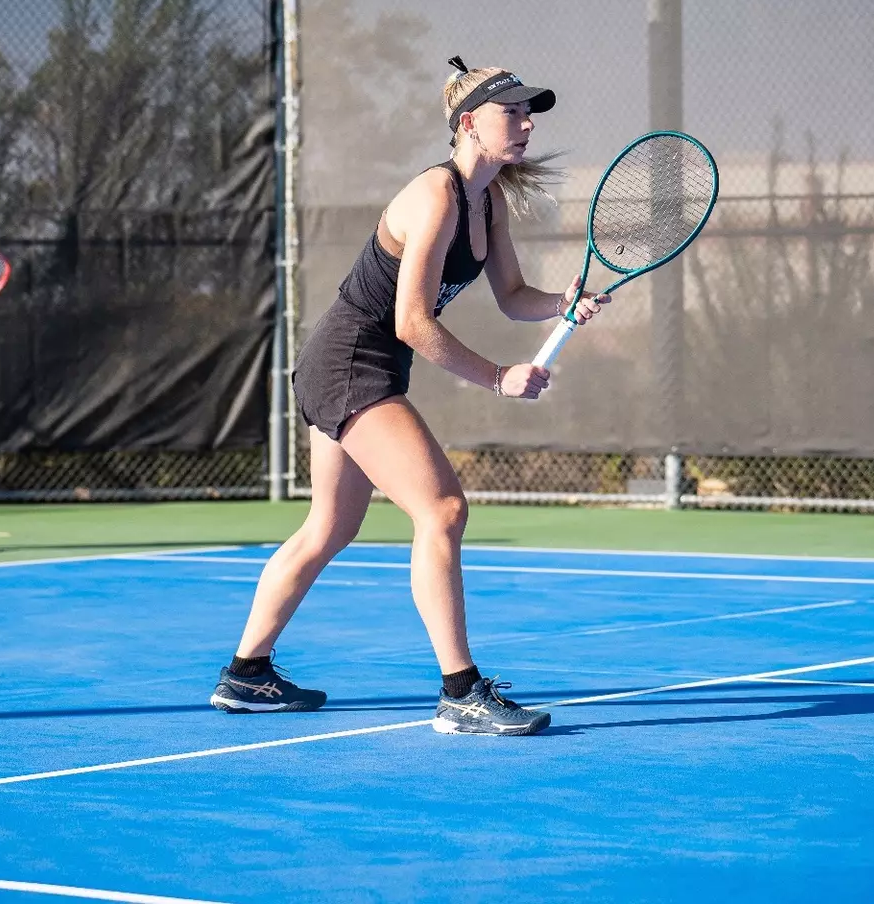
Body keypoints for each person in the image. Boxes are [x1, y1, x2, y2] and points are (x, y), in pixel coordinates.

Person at [211, 59, 608, 735]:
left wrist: (562, 304)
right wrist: (497, 378)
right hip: (348, 364)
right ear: (468, 123)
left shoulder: (490, 201)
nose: (526, 121)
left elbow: (514, 299)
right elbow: (411, 322)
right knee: (444, 509)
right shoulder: (435, 195)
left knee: (330, 528)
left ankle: (246, 674)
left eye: (527, 110)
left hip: (358, 367)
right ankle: (460, 692)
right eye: (511, 110)